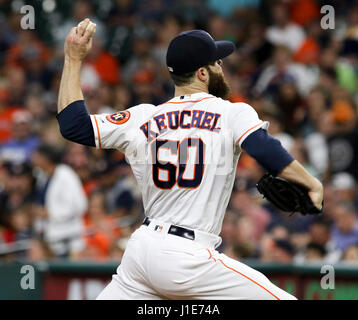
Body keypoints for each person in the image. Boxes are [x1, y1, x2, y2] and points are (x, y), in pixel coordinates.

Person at [57, 19, 323, 300]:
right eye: (217, 63)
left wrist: (73, 59)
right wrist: (311, 182)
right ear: (202, 73)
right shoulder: (231, 112)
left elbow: (73, 125)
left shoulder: (143, 116)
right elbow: (263, 148)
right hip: (187, 258)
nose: (221, 67)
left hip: (141, 255)